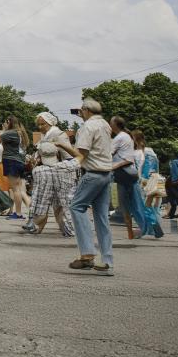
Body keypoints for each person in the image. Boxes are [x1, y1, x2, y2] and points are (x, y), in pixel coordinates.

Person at [68, 99, 117, 275]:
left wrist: (63, 145)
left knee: (76, 207)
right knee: (101, 217)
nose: (80, 112)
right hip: (106, 173)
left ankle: (87, 254)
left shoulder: (88, 127)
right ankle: (107, 262)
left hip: (93, 173)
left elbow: (82, 153)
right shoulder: (105, 125)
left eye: (81, 110)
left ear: (86, 110)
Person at [24, 111, 75, 237]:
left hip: (60, 173)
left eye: (43, 124)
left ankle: (68, 229)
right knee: (43, 202)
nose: (40, 127)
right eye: (39, 125)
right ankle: (38, 226)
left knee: (61, 204)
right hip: (47, 173)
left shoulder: (59, 134)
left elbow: (68, 156)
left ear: (50, 123)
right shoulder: (45, 135)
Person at [0, 116, 29, 219]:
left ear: (9, 122)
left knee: (15, 189)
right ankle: (21, 212)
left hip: (11, 161)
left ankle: (17, 213)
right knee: (19, 189)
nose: (4, 124)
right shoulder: (20, 133)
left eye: (5, 122)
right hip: (20, 162)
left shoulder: (10, 133)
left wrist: (4, 130)